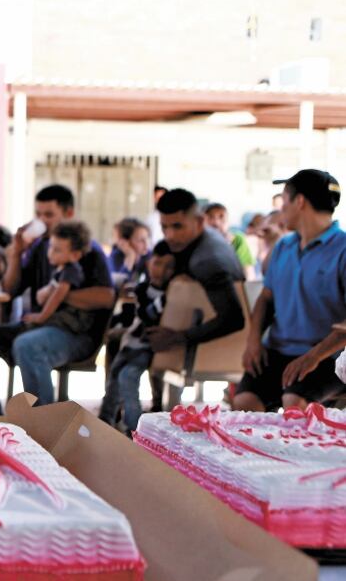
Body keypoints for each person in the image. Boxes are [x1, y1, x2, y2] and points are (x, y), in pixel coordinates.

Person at [0, 185, 115, 412]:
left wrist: (59, 294)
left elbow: (106, 297)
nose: (42, 220)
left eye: (48, 215)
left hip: (75, 334)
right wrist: (16, 253)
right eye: (38, 214)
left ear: (68, 213)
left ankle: (43, 426)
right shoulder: (41, 247)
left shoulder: (88, 250)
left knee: (28, 346)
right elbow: (10, 290)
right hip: (36, 324)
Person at [236, 169, 346, 412]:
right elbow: (266, 299)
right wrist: (253, 341)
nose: (281, 207)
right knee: (243, 405)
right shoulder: (284, 246)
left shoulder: (343, 249)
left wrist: (313, 357)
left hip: (329, 357)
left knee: (294, 405)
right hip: (278, 352)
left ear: (300, 202)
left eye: (284, 200)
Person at [144, 188, 245, 355]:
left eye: (177, 226)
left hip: (207, 349)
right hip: (195, 340)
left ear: (199, 222)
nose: (169, 235)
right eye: (164, 227)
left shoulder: (207, 261)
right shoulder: (207, 240)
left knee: (123, 343)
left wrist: (178, 337)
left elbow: (232, 319)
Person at [99, 240, 175, 436]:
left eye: (169, 266)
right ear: (150, 263)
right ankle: (104, 420)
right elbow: (147, 314)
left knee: (128, 377)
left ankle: (135, 429)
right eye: (158, 263)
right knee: (114, 378)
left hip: (148, 348)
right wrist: (164, 300)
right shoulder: (143, 289)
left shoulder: (175, 292)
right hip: (132, 343)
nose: (161, 270)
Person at [204, 202, 255, 279]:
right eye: (210, 217)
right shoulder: (196, 242)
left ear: (228, 221)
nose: (216, 222)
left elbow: (248, 271)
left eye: (221, 217)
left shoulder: (237, 239)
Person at [108, 217, 151, 288]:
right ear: (125, 242)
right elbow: (117, 286)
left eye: (147, 238)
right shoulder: (115, 257)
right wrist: (130, 256)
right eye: (140, 240)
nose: (146, 244)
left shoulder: (148, 255)